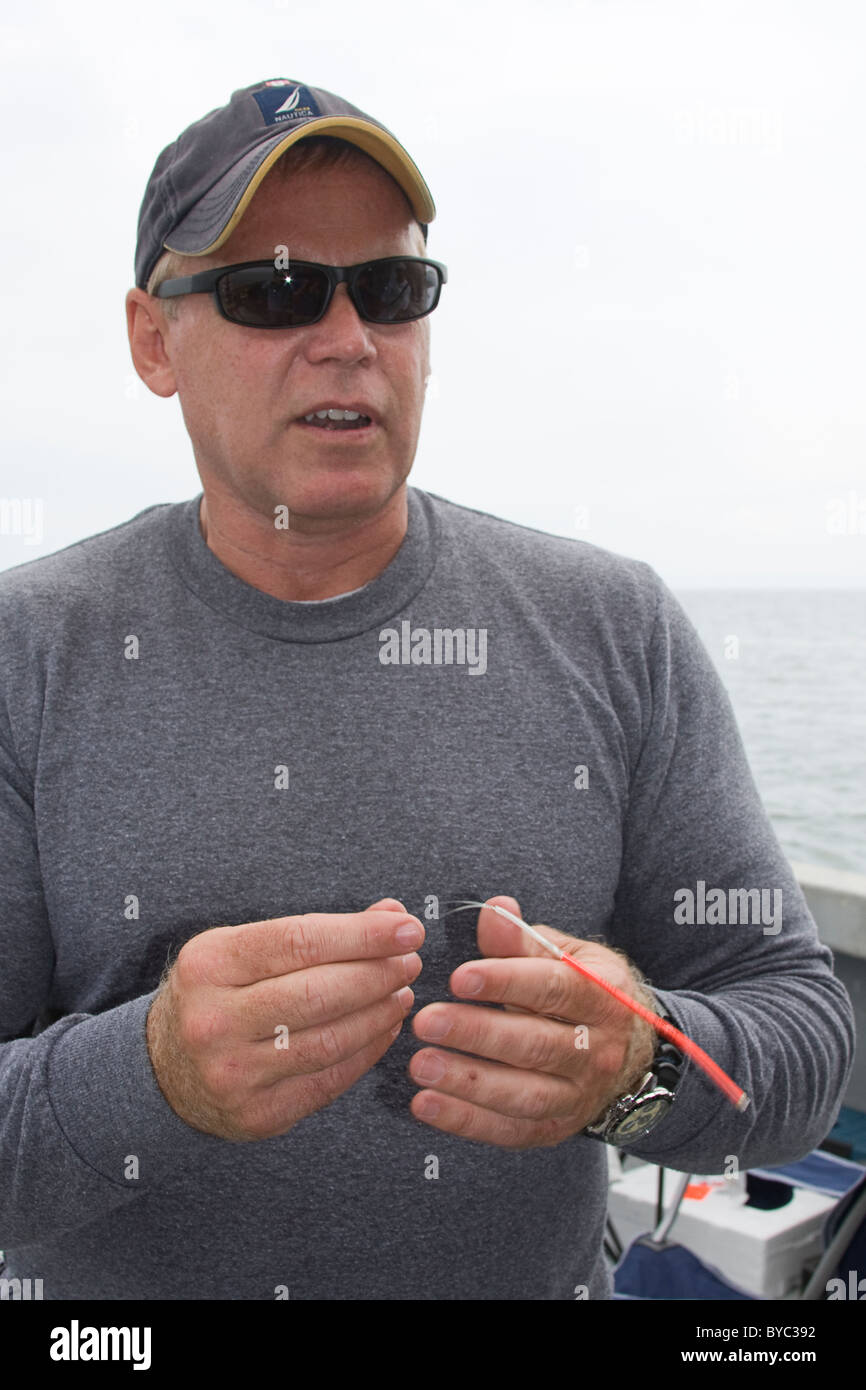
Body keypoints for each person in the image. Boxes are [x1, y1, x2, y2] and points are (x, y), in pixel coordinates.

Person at [0, 78, 854, 1302]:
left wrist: (632, 1070)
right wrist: (148, 1078)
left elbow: (801, 1042)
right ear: (152, 339)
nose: (347, 336)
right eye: (277, 289)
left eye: (391, 291)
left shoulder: (613, 627)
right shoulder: (28, 654)